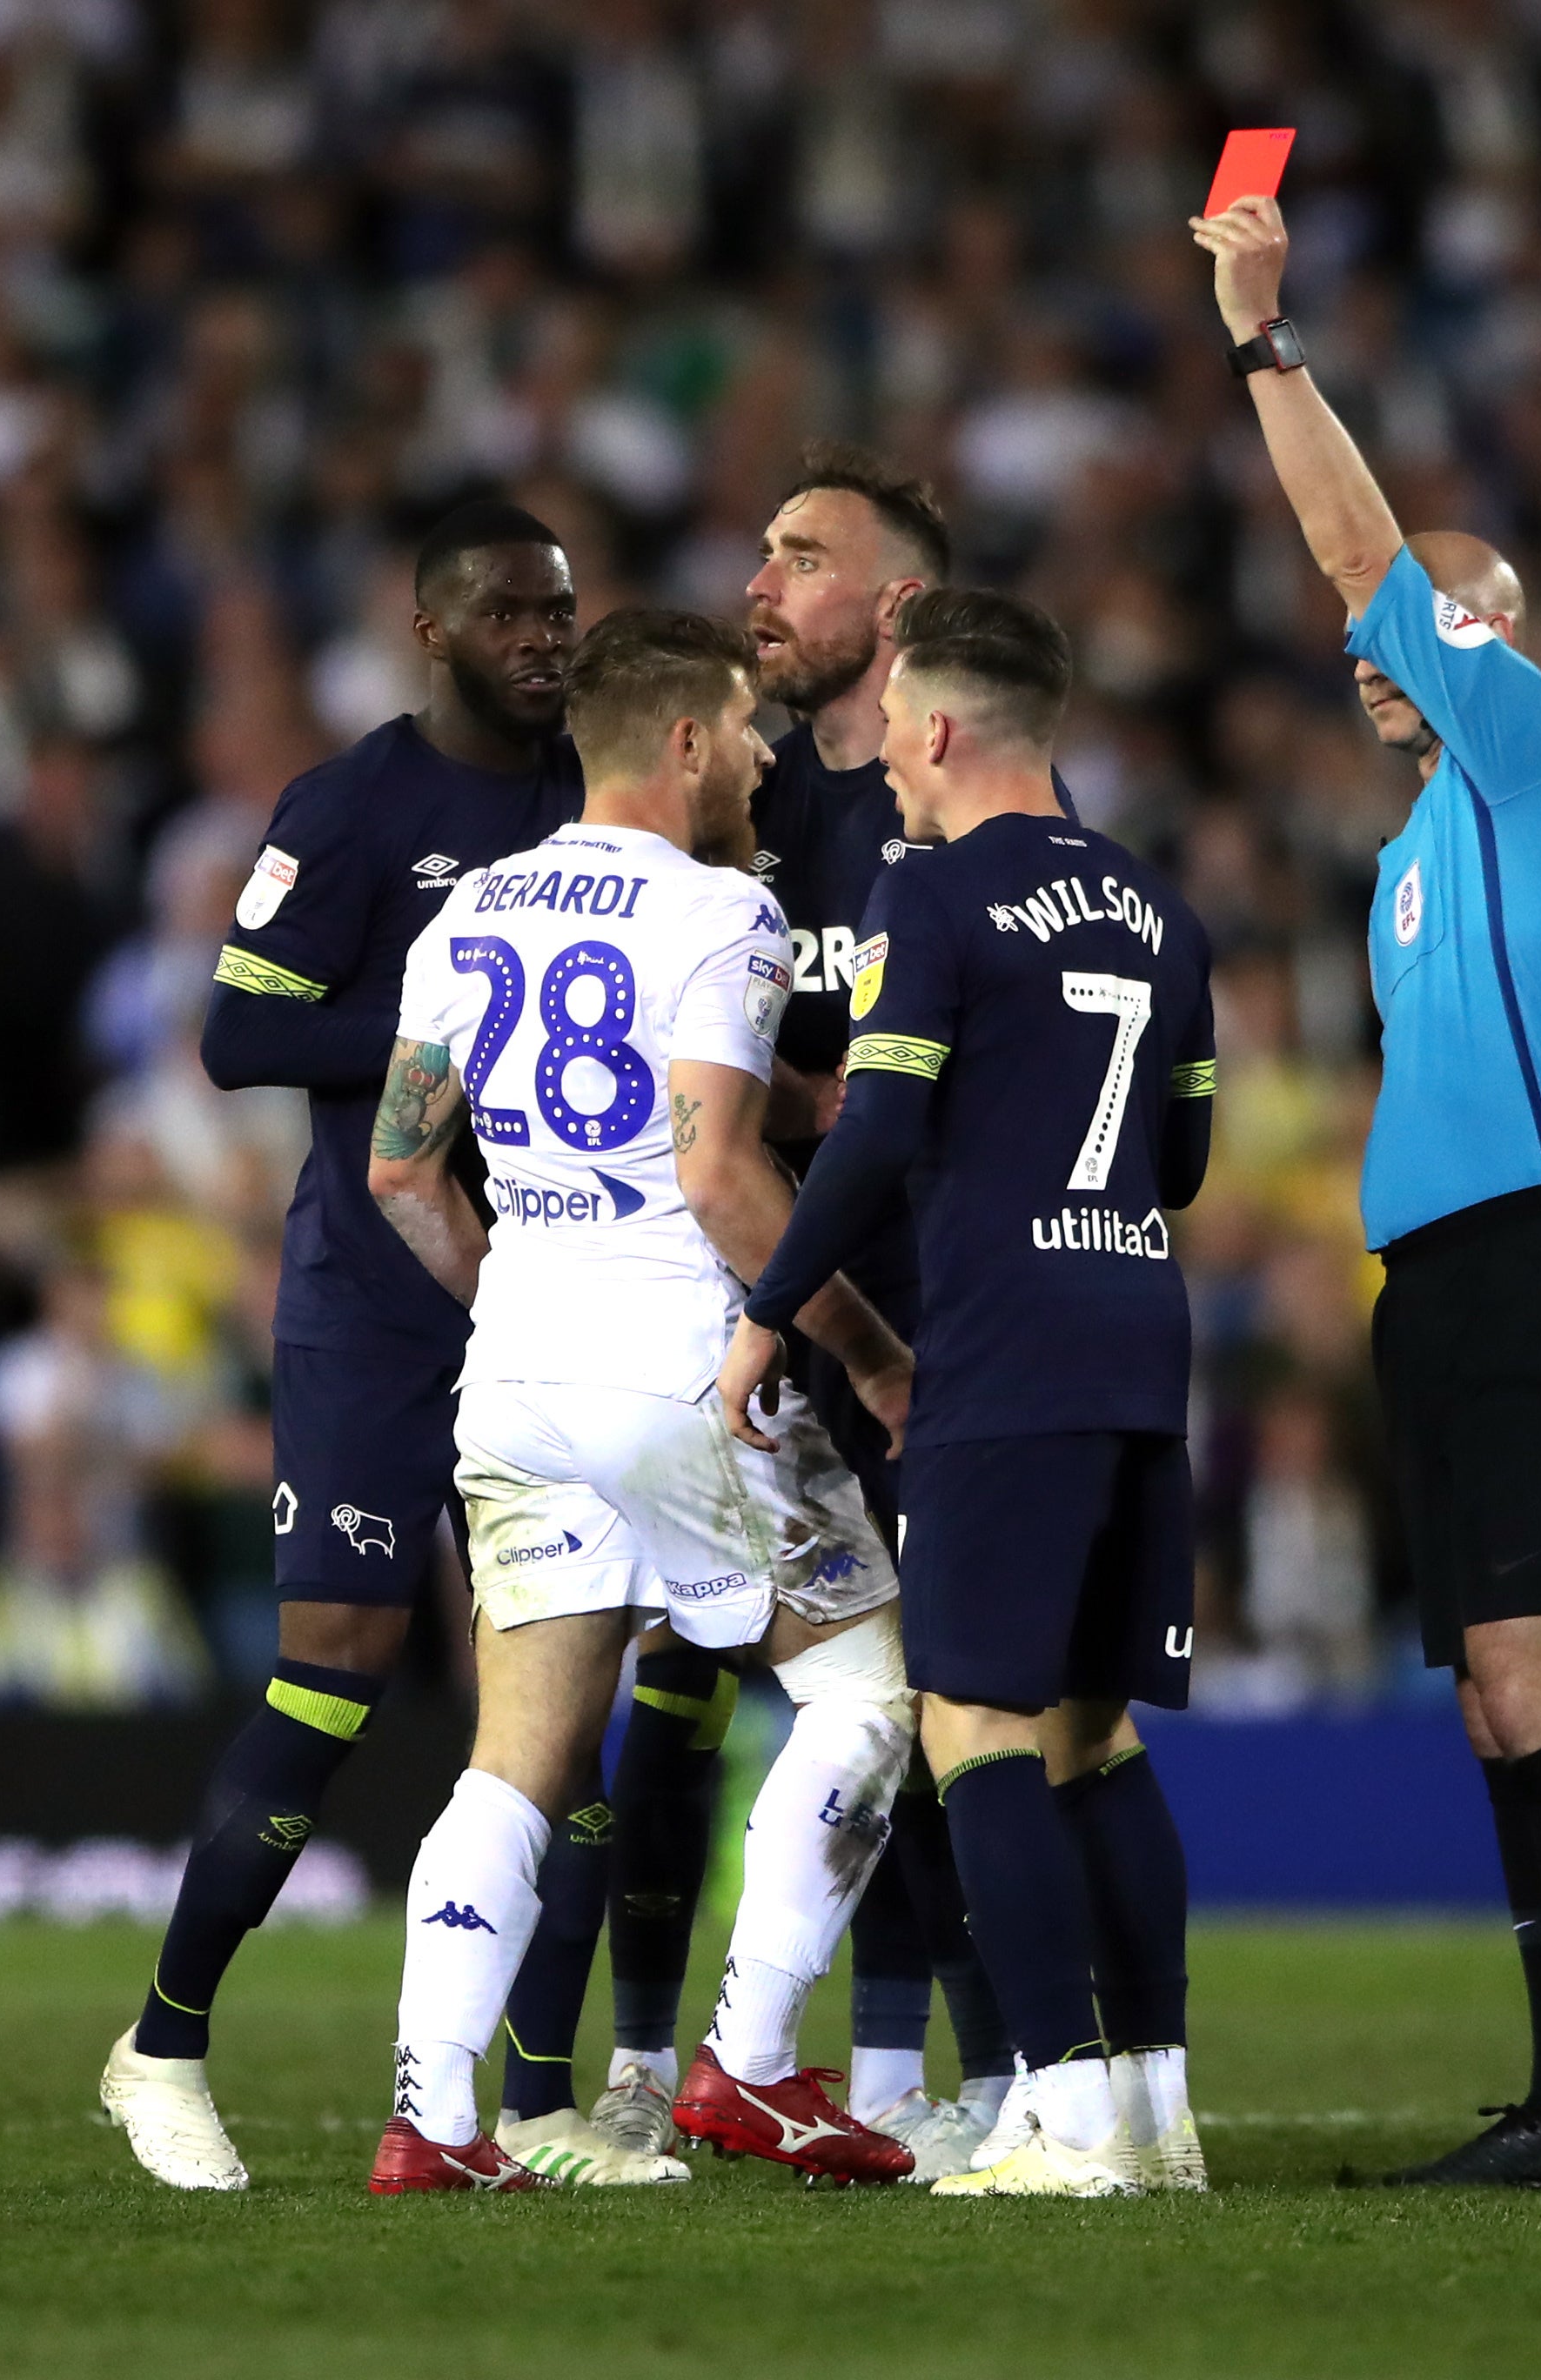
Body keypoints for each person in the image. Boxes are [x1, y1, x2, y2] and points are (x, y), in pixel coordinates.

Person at [1191, 193, 1541, 2189]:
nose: (1384, 645)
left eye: (1436, 622)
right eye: (1393, 642)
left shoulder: (1534, 761)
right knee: (1493, 1700)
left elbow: (1356, 549)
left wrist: (1261, 339)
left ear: (1495, 644)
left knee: (1535, 1678)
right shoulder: (1410, 853)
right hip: (1448, 1283)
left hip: (1538, 1272)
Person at [102, 501, 629, 2190]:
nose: (547, 637)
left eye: (560, 611)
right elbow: (239, 1031)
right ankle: (163, 2045)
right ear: (433, 630)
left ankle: (539, 2098)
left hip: (549, 1293)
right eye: (511, 614)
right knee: (329, 1659)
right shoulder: (351, 808)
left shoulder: (601, 794)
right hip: (369, 1300)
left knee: (553, 1691)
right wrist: (442, 1027)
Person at [364, 608, 921, 2192]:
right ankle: (748, 2069)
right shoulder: (723, 916)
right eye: (743, 727)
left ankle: (433, 2115)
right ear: (683, 742)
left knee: (514, 1757)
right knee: (867, 1693)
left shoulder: (469, 911)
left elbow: (402, 1164)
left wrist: (514, 1300)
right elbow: (721, 1172)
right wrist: (872, 1353)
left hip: (517, 1373)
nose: (758, 753)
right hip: (679, 1360)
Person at [723, 588, 1216, 2198]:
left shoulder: (926, 897)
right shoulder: (1157, 904)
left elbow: (868, 1135)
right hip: (1140, 1334)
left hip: (1002, 1351)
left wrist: (770, 1309)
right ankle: (1151, 2113)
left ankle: (1059, 2114)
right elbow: (1188, 1152)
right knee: (1094, 1734)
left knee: (974, 1723)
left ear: (930, 730)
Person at [735, 444, 1034, 2173]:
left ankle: (1010, 2062)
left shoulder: (959, 826)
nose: (761, 584)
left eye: (802, 556)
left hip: (952, 1329)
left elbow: (926, 1101)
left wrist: (779, 1105)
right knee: (868, 1714)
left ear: (900, 606)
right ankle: (887, 2065)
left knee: (964, 1709)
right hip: (793, 1331)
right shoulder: (755, 819)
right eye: (763, 553)